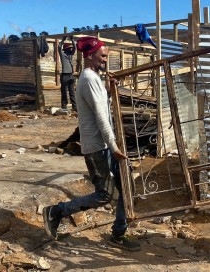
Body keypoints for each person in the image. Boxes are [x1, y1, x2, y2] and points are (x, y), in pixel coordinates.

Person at [43, 36, 141, 252]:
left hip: (105, 145)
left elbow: (98, 103)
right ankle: (57, 211)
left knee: (126, 185)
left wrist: (108, 89)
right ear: (89, 55)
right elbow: (101, 117)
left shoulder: (93, 78)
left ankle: (118, 232)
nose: (106, 60)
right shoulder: (88, 78)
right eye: (103, 56)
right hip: (98, 147)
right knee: (104, 195)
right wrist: (114, 148)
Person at [58, 36, 77, 111]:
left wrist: (72, 39)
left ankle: (74, 107)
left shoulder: (70, 55)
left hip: (71, 76)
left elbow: (75, 48)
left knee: (72, 92)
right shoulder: (63, 55)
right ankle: (64, 106)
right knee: (64, 92)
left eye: (70, 49)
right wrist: (63, 39)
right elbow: (59, 47)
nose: (70, 50)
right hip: (65, 75)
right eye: (69, 49)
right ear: (66, 50)